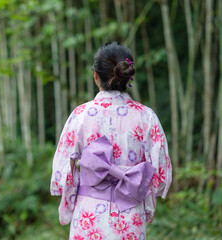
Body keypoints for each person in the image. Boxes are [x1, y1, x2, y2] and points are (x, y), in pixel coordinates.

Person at [50, 41, 172, 240]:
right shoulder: (147, 117)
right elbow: (160, 174)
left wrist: (69, 202)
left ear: (95, 75)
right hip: (130, 214)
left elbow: (63, 171)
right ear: (128, 76)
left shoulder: (81, 115)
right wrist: (146, 201)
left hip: (88, 216)